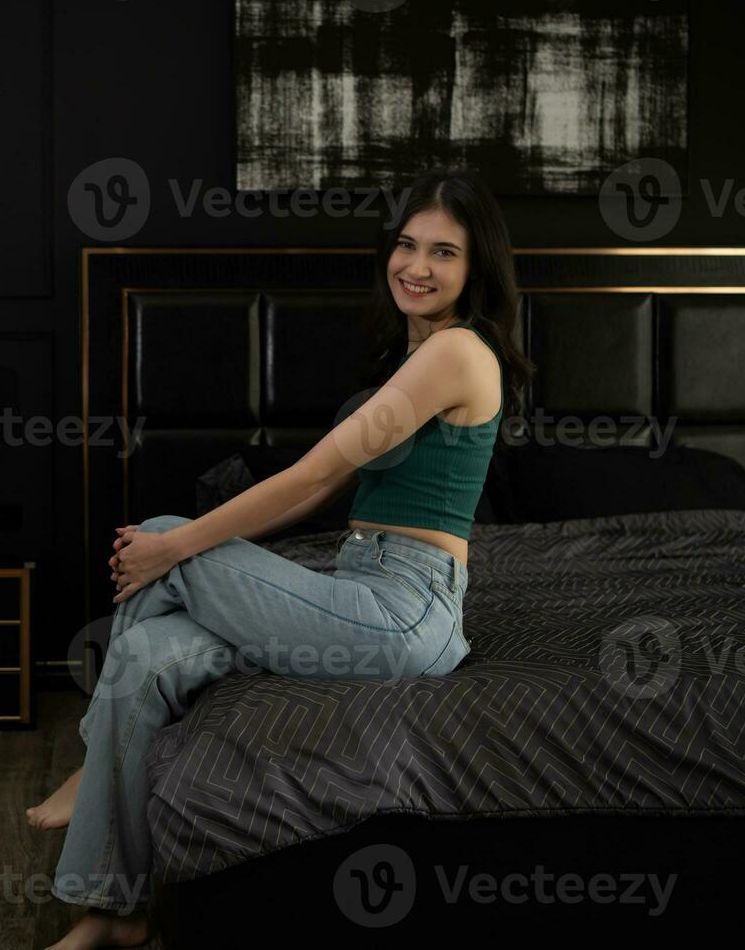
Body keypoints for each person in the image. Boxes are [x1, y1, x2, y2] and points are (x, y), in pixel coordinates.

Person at [29, 169, 533, 950]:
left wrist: (178, 549)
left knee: (167, 528)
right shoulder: (417, 353)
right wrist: (226, 577)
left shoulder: (458, 353)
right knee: (146, 659)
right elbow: (308, 501)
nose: (417, 266)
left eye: (444, 252)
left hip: (407, 610)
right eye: (406, 245)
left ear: (477, 269)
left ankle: (92, 760)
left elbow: (312, 475)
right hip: (354, 589)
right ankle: (116, 914)